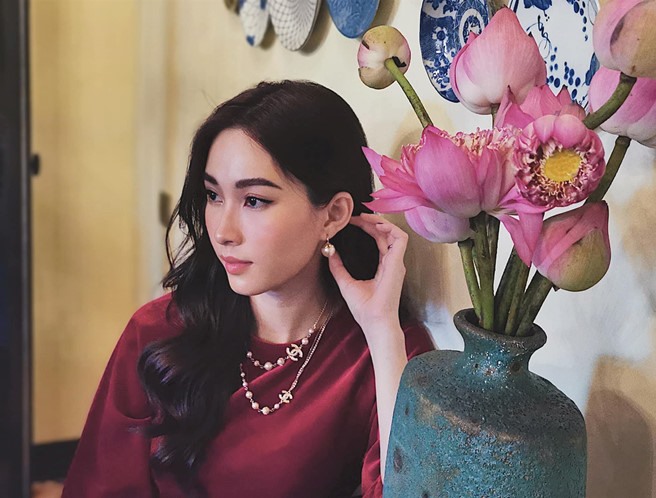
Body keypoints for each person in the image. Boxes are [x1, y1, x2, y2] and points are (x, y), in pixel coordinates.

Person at [62, 80, 434, 498]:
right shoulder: (157, 332)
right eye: (213, 195)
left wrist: (381, 331)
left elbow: (406, 490)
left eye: (254, 200)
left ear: (333, 215)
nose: (223, 231)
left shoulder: (386, 351)